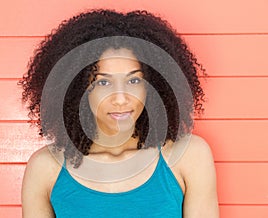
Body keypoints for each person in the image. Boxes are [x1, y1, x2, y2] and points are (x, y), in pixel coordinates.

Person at [20, 9, 219, 217]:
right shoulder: (45, 168)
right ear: (78, 90)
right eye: (103, 82)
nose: (121, 98)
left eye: (134, 81)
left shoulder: (189, 156)